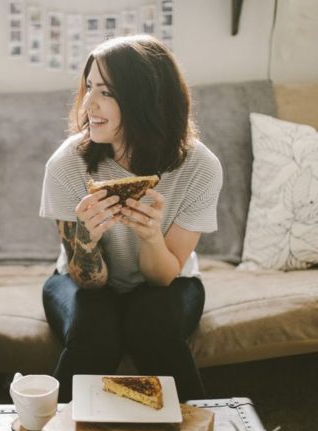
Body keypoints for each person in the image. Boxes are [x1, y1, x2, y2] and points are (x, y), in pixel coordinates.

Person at [39, 35, 223, 403]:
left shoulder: (201, 167)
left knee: (152, 326)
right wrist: (87, 239)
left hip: (169, 281)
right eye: (89, 87)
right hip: (79, 281)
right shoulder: (66, 164)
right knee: (95, 332)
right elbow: (88, 282)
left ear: (146, 99)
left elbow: (163, 276)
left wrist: (152, 236)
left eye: (106, 92)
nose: (88, 104)